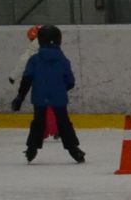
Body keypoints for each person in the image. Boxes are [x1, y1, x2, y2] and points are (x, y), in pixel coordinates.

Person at [12, 24, 82, 163]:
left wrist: (20, 97)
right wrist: (59, 89)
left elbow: (27, 80)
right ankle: (74, 150)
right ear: (59, 40)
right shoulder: (63, 60)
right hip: (59, 98)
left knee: (38, 122)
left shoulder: (34, 60)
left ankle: (31, 150)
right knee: (64, 122)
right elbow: (70, 82)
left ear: (40, 40)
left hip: (39, 96)